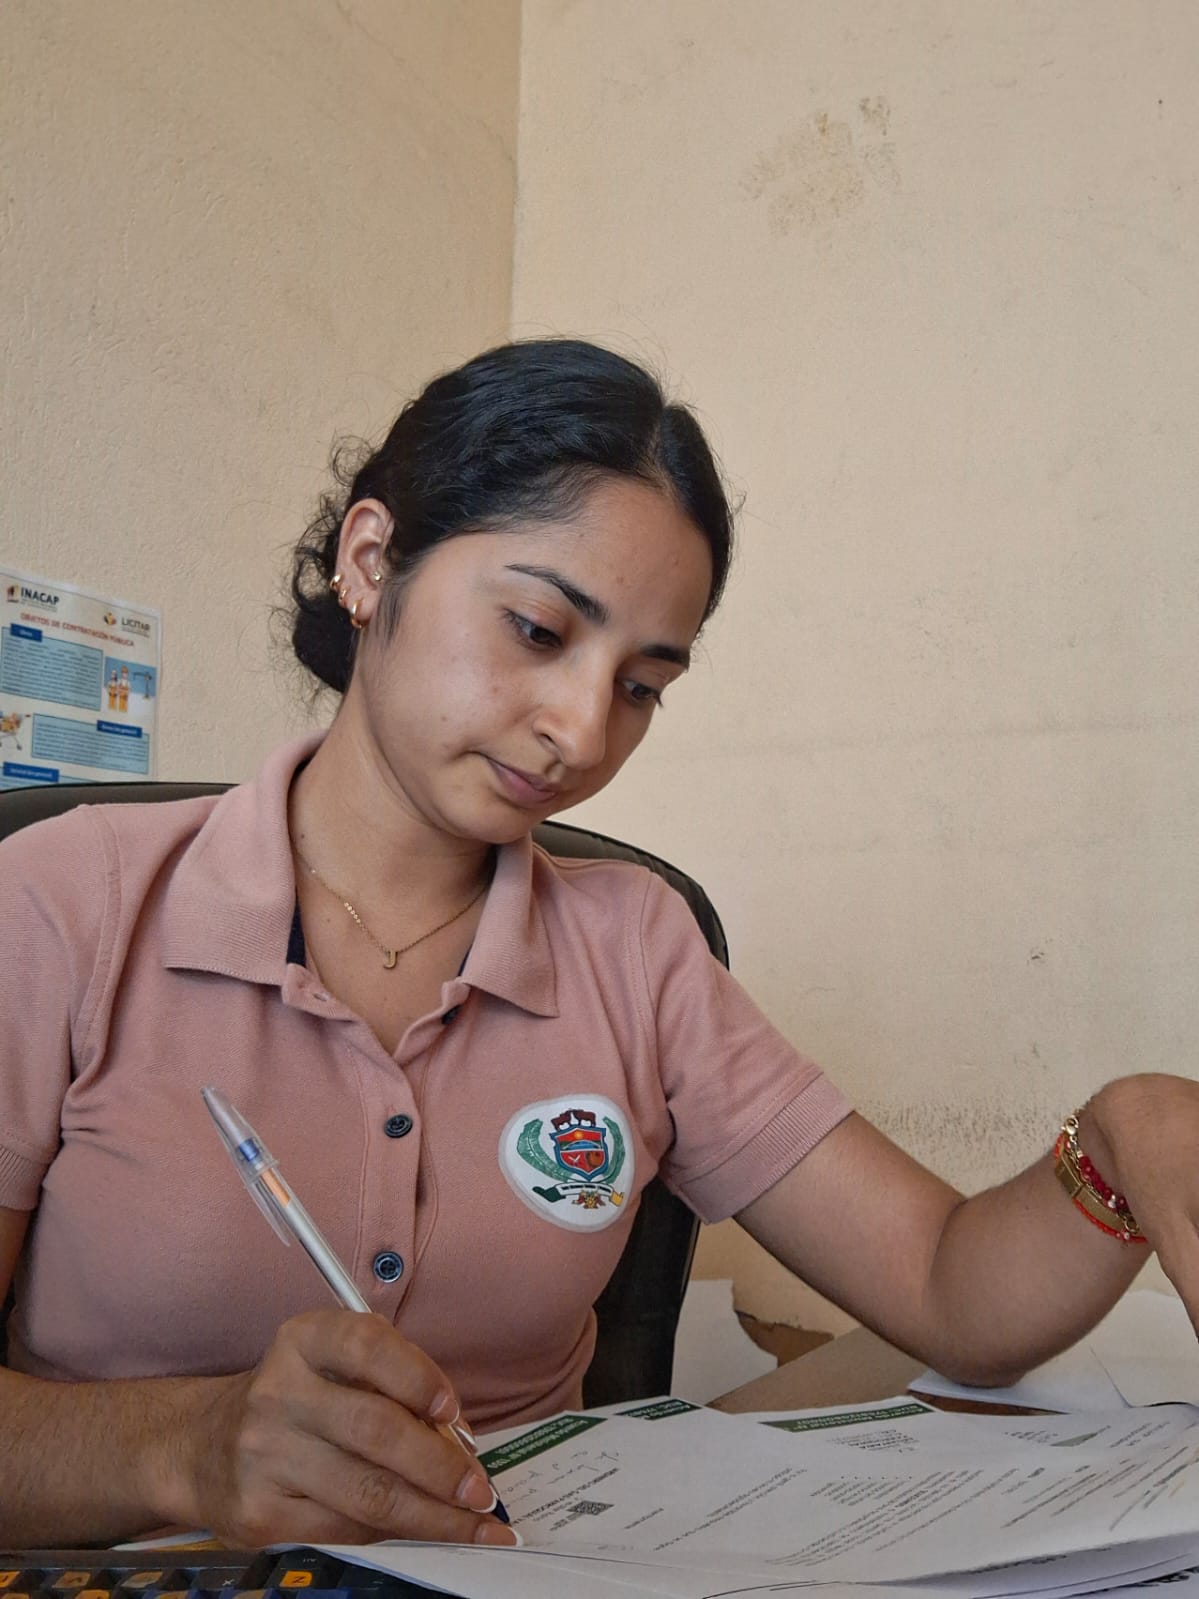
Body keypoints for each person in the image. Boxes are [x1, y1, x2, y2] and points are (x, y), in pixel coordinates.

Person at [0, 339, 1196, 1552]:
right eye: (535, 630)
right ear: (370, 562)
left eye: (639, 687)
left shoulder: (635, 947)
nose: (580, 731)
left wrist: (1119, 1141)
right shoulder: (65, 904)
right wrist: (182, 1449)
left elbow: (946, 1287)